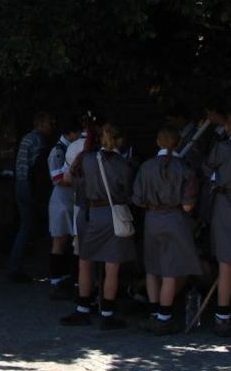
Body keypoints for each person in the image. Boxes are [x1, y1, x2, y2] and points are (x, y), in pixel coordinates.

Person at [61, 122, 136, 330]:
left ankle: (82, 308)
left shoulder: (86, 159)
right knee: (112, 266)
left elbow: (72, 179)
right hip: (113, 214)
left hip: (89, 212)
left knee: (85, 261)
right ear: (120, 140)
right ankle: (107, 313)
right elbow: (128, 192)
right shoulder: (123, 164)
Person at [132, 126, 200, 334]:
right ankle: (164, 316)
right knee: (171, 270)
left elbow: (138, 200)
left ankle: (154, 312)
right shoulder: (186, 169)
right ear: (178, 143)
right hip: (175, 219)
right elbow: (188, 206)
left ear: (158, 143)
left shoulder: (146, 167)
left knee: (152, 267)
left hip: (153, 219)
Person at [201, 111, 231, 336]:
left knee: (226, 262)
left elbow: (207, 169)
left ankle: (223, 316)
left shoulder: (222, 148)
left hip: (226, 204)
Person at [8, 111, 54, 282]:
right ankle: (41, 267)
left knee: (26, 226)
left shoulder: (27, 138)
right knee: (37, 226)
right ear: (41, 123)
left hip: (20, 184)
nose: (51, 126)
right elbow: (39, 169)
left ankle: (16, 265)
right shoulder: (39, 141)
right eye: (49, 122)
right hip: (31, 186)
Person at [46, 118, 83, 299]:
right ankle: (55, 281)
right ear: (71, 133)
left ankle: (70, 278)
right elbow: (57, 179)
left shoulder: (69, 148)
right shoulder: (58, 151)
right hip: (61, 201)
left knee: (73, 242)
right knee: (59, 240)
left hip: (71, 200)